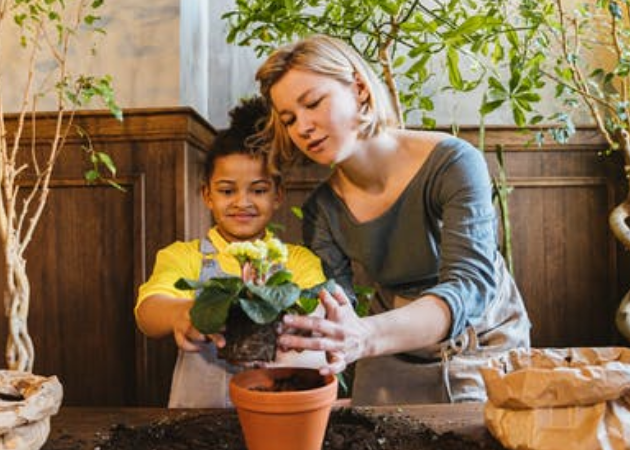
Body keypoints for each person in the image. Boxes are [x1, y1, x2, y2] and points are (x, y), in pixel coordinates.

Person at [254, 35, 532, 405]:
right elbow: (338, 307)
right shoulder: (322, 210)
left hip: (481, 337)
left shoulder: (454, 162)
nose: (302, 127)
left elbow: (469, 285)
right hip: (387, 344)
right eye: (289, 119)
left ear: (359, 88)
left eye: (313, 103)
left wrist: (365, 336)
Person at [134, 96, 326, 408]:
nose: (242, 202)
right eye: (226, 191)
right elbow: (148, 312)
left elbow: (315, 310)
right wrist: (183, 314)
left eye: (259, 190)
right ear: (207, 195)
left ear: (278, 195)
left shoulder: (298, 260)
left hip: (279, 406)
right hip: (201, 413)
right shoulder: (185, 256)